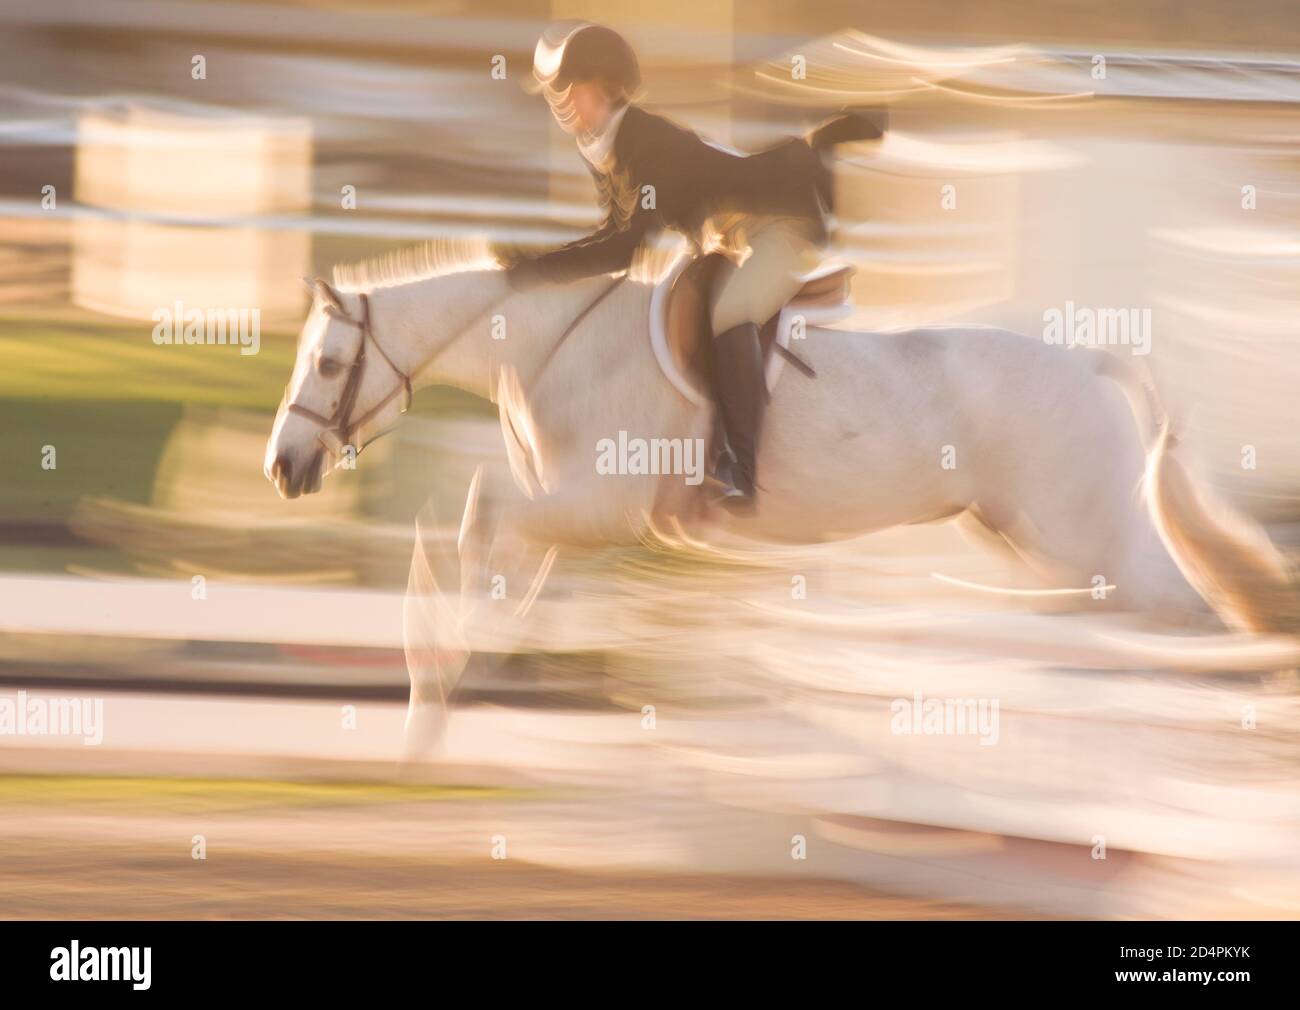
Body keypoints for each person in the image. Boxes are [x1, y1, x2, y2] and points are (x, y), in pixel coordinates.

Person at [496, 22, 886, 513]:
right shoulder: (610, 147)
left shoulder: (645, 142)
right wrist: (537, 263)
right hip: (735, 237)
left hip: (787, 223)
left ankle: (740, 470)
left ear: (599, 85)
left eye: (568, 89)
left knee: (732, 312)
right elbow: (611, 232)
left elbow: (623, 250)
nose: (561, 102)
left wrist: (535, 272)